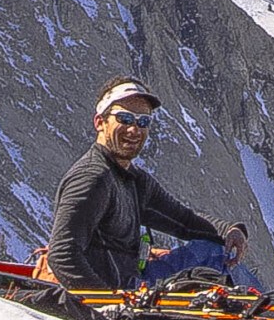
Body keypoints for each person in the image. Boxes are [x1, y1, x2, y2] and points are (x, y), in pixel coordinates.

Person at [42, 78, 248, 296]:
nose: (134, 129)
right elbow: (63, 254)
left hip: (135, 282)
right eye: (124, 118)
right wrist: (106, 306)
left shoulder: (134, 180)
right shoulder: (92, 178)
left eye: (143, 121)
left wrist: (229, 230)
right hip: (115, 293)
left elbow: (184, 221)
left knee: (212, 250)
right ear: (100, 122)